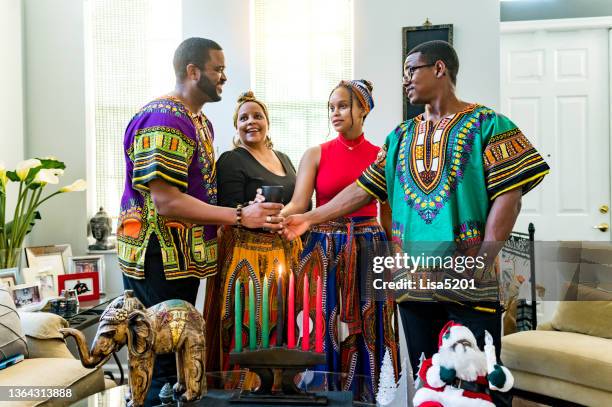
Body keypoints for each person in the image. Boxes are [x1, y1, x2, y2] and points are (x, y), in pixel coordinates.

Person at [283, 41, 550, 406]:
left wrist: (483, 258)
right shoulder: (400, 137)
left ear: (439, 69)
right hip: (414, 283)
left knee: (478, 377)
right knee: (429, 378)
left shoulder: (489, 124)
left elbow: (510, 196)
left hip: (468, 277)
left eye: (411, 70)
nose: (405, 80)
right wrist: (308, 218)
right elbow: (363, 189)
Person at [117, 38, 283, 406]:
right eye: (217, 69)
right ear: (193, 71)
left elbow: (198, 192)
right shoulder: (164, 119)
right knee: (157, 360)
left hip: (184, 259)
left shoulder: (199, 121)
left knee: (179, 359)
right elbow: (166, 201)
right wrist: (240, 215)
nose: (224, 77)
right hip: (157, 256)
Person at [280, 79, 399, 402]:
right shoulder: (315, 154)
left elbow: (386, 214)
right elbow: (299, 204)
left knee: (371, 325)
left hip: (369, 248)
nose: (335, 113)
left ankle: (368, 396)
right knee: (320, 322)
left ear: (363, 110)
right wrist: (281, 215)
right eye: (331, 107)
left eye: (343, 106)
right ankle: (320, 395)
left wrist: (395, 257)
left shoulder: (381, 155)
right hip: (323, 249)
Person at [204, 91, 301, 388]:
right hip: (246, 260)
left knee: (281, 324)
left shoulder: (283, 158)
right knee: (246, 326)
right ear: (236, 127)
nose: (251, 122)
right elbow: (229, 211)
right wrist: (251, 206)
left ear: (267, 122)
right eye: (243, 118)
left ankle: (279, 388)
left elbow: (301, 201)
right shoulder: (232, 160)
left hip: (283, 255)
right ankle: (243, 387)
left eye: (257, 116)